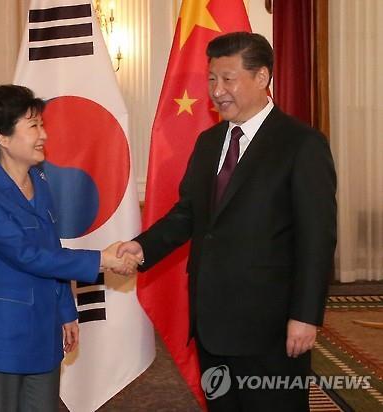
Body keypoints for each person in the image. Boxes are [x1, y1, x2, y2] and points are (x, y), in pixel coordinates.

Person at [118, 32, 337, 411]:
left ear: (263, 78)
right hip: (211, 325)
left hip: (270, 328)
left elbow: (317, 239)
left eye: (228, 79)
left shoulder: (301, 144)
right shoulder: (208, 142)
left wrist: (305, 316)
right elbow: (188, 213)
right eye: (211, 79)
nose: (217, 91)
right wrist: (141, 248)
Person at [0, 84, 139, 412]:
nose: (44, 134)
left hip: (42, 328)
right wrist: (103, 259)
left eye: (42, 124)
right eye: (33, 126)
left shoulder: (39, 181)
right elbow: (29, 256)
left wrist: (66, 312)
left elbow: (51, 247)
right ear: (2, 137)